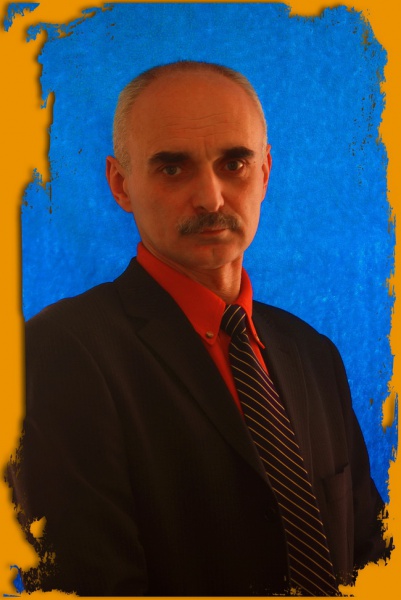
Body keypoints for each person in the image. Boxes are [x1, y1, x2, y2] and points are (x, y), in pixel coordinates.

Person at [7, 60, 388, 596]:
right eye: (172, 168)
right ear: (120, 183)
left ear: (265, 171)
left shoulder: (313, 353)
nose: (211, 198)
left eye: (234, 163)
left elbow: (371, 561)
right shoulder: (57, 352)